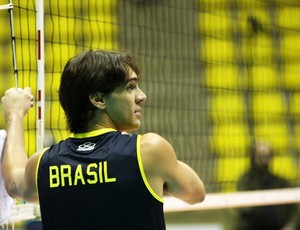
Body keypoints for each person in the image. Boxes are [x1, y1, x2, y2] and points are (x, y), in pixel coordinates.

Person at [1, 49, 205, 230]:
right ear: (98, 100)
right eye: (130, 87)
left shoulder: (42, 163)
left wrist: (14, 115)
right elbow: (196, 193)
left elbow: (12, 184)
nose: (142, 96)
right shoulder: (148, 151)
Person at [235, 141, 297, 230]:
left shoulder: (281, 182)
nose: (264, 159)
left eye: (267, 155)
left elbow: (294, 209)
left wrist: (290, 226)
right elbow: (242, 209)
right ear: (253, 157)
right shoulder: (246, 181)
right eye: (260, 155)